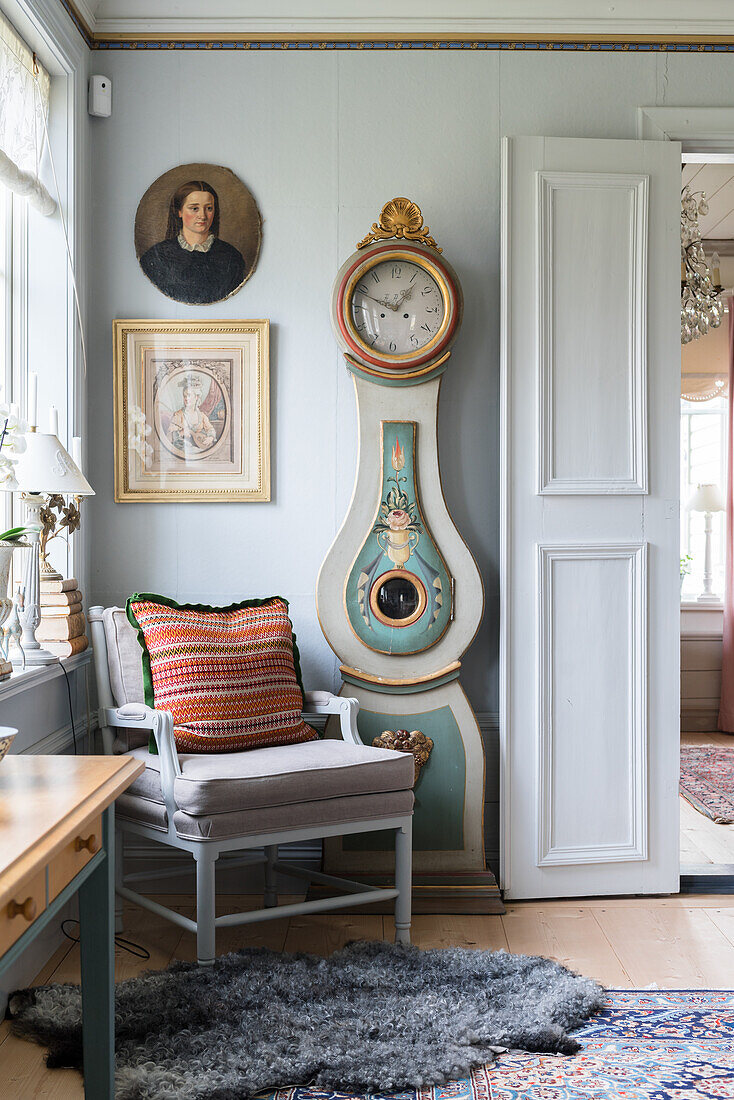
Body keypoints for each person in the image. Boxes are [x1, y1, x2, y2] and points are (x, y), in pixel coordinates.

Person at [140, 180, 246, 304]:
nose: (203, 215)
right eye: (194, 208)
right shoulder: (155, 256)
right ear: (179, 211)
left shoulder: (231, 257)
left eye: (209, 208)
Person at [166, 375, 217, 456]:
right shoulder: (178, 415)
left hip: (200, 447)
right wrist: (180, 432)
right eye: (184, 396)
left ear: (196, 397)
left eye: (189, 395)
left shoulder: (202, 416)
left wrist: (210, 437)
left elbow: (210, 429)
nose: (186, 398)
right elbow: (170, 432)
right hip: (183, 449)